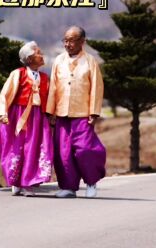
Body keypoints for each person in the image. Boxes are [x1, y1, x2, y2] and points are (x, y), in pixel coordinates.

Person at [46, 26, 106, 198]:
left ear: (82, 41)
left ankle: (91, 182)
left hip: (82, 114)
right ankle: (68, 187)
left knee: (85, 150)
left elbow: (97, 87)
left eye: (72, 40)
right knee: (63, 152)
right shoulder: (58, 60)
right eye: (65, 40)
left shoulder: (90, 61)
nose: (67, 44)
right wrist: (50, 112)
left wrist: (94, 112)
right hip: (61, 114)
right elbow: (53, 87)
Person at [0, 41, 53, 197]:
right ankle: (16, 181)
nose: (42, 55)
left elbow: (49, 98)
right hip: (18, 116)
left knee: (34, 148)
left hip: (38, 117)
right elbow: (5, 94)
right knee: (16, 147)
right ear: (29, 59)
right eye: (38, 53)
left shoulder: (45, 77)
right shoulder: (18, 74)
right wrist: (3, 113)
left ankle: (29, 183)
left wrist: (51, 116)